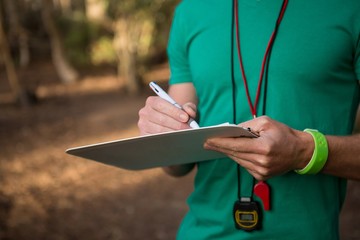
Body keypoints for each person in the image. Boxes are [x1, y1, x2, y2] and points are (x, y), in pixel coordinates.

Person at [138, 0, 360, 239]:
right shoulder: (190, 11)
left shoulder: (350, 8)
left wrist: (304, 152)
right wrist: (161, 133)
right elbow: (175, 165)